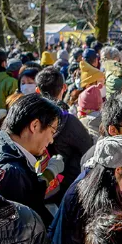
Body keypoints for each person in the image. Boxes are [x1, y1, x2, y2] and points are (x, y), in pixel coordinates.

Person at [0, 93, 61, 225]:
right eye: (52, 131)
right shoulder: (13, 173)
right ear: (35, 126)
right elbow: (21, 230)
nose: (51, 140)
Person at [37, 67, 93, 200]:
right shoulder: (68, 120)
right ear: (64, 87)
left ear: (37, 90)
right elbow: (88, 150)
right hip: (65, 190)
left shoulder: (30, 117)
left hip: (34, 188)